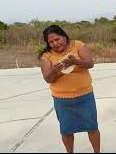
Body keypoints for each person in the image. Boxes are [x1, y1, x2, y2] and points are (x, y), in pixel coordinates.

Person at [38, 25, 100, 153]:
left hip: (85, 96)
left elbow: (90, 63)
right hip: (62, 100)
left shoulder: (77, 45)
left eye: (57, 39)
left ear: (64, 37)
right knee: (66, 130)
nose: (55, 43)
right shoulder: (46, 56)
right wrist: (55, 71)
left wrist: (76, 62)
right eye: (51, 42)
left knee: (92, 127)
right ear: (48, 43)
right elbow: (48, 79)